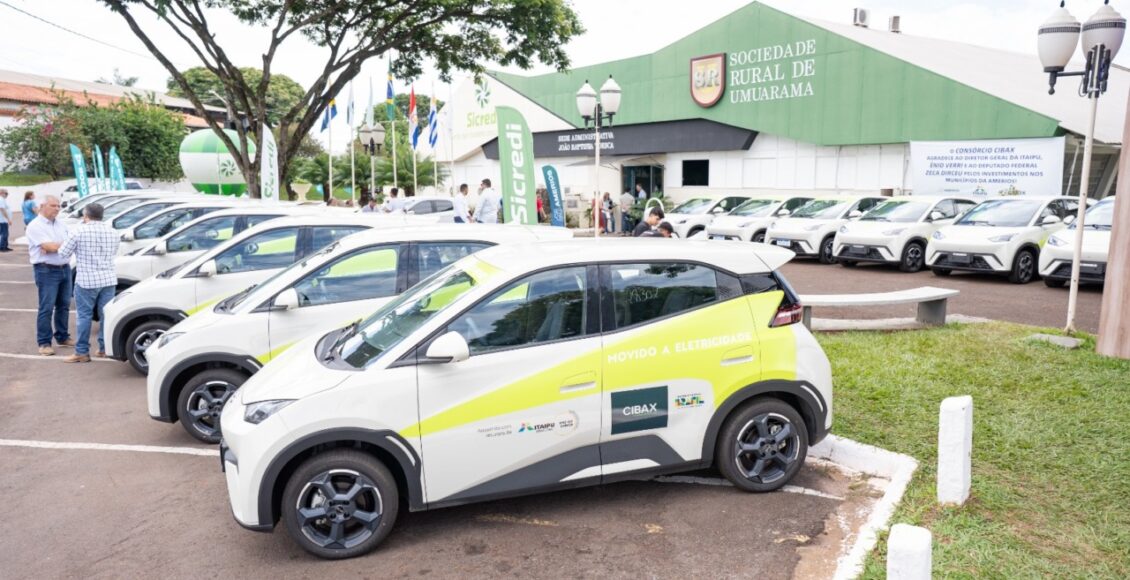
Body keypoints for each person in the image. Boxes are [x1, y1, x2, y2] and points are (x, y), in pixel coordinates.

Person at [57, 203, 119, 362]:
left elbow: (63, 253)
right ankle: (104, 349)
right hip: (108, 279)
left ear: (86, 215)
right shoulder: (113, 232)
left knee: (84, 316)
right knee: (106, 315)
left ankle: (81, 352)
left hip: (86, 280)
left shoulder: (78, 231)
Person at [25, 195, 71, 356]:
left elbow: (70, 242)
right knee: (46, 307)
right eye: (53, 206)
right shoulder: (35, 226)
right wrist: (54, 246)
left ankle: (62, 336)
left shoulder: (61, 224)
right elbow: (49, 247)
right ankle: (44, 342)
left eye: (58, 206)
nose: (57, 209)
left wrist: (55, 246)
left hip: (65, 268)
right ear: (42, 206)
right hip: (46, 270)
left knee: (64, 305)